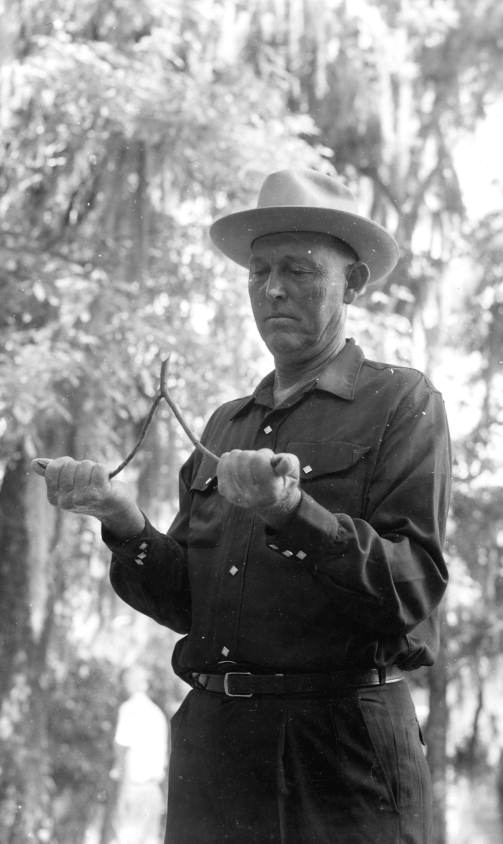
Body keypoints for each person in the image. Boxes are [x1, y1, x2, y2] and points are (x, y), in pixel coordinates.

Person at [33, 169, 452, 844]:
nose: (274, 288)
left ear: (354, 283)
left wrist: (294, 514)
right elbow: (188, 604)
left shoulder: (403, 404)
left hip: (341, 756)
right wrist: (122, 519)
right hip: (216, 752)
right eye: (259, 272)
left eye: (300, 269)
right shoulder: (224, 425)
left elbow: (413, 587)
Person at [110, 665, 169, 844]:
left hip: (133, 788)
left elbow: (124, 752)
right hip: (153, 792)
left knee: (125, 839)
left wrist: (122, 793)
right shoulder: (158, 714)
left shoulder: (129, 709)